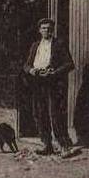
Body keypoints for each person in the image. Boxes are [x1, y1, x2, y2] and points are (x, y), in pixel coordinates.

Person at [24, 18, 76, 157]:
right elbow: (27, 64)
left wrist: (54, 72)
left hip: (53, 84)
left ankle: (64, 145)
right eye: (43, 28)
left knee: (56, 114)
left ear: (52, 30)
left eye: (48, 28)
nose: (46, 30)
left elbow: (69, 64)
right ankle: (46, 144)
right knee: (40, 113)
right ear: (39, 30)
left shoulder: (59, 44)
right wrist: (31, 70)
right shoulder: (35, 45)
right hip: (38, 82)